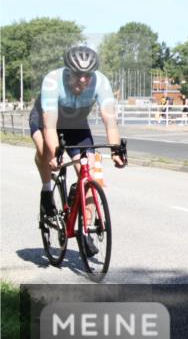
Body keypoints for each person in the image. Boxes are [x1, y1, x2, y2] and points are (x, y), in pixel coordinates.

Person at [30, 46, 126, 254]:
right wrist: (54, 154)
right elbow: (49, 126)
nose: (83, 80)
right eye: (77, 74)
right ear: (68, 72)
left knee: (89, 174)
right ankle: (47, 191)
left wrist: (116, 150)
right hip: (47, 121)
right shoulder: (52, 81)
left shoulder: (101, 82)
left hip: (76, 124)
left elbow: (110, 120)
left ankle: (85, 230)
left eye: (88, 75)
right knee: (45, 153)